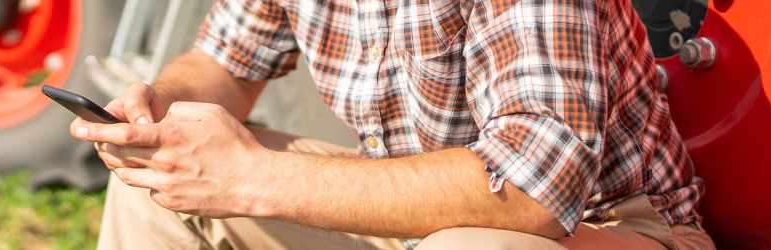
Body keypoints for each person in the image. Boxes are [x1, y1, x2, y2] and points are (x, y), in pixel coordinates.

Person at [68, 0, 713, 249]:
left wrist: (254, 177)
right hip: (411, 220)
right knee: (157, 183)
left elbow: (530, 194)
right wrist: (157, 109)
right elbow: (225, 64)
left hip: (611, 230)